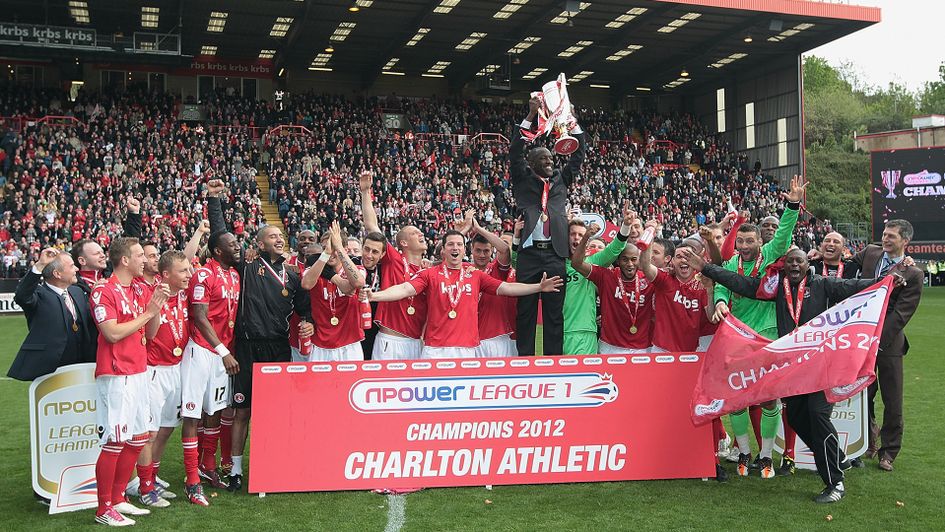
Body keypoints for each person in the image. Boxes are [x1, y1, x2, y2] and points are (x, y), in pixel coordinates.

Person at [688, 247, 904, 503]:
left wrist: (886, 280)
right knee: (799, 419)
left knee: (816, 416)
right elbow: (742, 283)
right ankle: (838, 459)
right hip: (794, 371)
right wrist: (706, 267)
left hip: (821, 367)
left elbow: (854, 286)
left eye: (798, 261)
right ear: (784, 266)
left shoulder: (823, 284)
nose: (793, 265)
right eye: (789, 262)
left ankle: (835, 482)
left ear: (806, 264)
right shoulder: (776, 287)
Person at [206, 179, 313, 492]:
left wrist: (307, 324)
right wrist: (215, 201)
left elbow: (305, 311)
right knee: (242, 411)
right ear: (259, 244)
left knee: (276, 412)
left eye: (281, 235)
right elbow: (220, 236)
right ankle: (236, 470)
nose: (279, 239)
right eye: (272, 236)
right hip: (248, 348)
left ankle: (274, 463)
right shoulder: (247, 265)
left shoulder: (293, 275)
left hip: (279, 348)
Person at [712, 176, 804, 478]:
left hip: (767, 337)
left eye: (750, 240)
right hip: (736, 338)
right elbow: (721, 288)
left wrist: (792, 204)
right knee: (737, 400)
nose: (745, 245)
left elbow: (786, 231)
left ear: (759, 242)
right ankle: (744, 452)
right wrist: (720, 302)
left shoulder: (769, 258)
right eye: (741, 241)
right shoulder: (729, 265)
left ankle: (765, 457)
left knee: (767, 398)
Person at [367, 230, 563, 359]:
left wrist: (538, 287)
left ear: (463, 250)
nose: (455, 248)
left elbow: (507, 288)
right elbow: (404, 289)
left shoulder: (475, 275)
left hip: (468, 350)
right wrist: (374, 296)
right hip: (435, 350)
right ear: (443, 250)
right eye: (450, 244)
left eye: (459, 244)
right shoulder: (430, 274)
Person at [90, 237, 169, 526]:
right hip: (116, 375)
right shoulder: (104, 292)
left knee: (137, 439)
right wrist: (148, 312)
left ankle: (119, 497)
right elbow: (111, 333)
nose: (145, 261)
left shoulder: (138, 289)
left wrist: (156, 308)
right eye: (139, 256)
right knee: (114, 441)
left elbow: (151, 332)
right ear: (125, 260)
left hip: (138, 371)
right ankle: (103, 508)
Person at [508, 96, 585, 356]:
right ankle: (525, 363)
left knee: (554, 314)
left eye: (552, 159)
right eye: (545, 159)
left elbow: (578, 155)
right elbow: (515, 151)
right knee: (526, 313)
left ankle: (553, 363)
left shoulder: (561, 182)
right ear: (532, 163)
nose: (551, 162)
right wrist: (530, 115)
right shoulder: (523, 179)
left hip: (554, 255)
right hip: (529, 255)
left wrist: (572, 121)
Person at [852, 219, 923, 472]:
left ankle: (889, 451)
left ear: (905, 241)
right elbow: (848, 263)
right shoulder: (871, 252)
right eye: (884, 234)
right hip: (860, 338)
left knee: (892, 400)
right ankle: (869, 440)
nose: (885, 239)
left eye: (892, 236)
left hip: (888, 342)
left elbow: (902, 314)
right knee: (864, 394)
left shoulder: (913, 273)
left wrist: (876, 340)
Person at [181, 230, 241, 505]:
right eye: (231, 244)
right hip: (202, 351)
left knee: (215, 411)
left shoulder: (234, 275)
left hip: (221, 353)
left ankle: (208, 466)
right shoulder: (203, 275)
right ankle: (192, 481)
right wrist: (222, 350)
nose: (238, 246)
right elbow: (200, 316)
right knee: (193, 416)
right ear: (218, 251)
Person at [134, 251, 193, 508]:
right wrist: (156, 307)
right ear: (166, 275)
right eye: (183, 272)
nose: (189, 275)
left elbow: (182, 259)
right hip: (154, 370)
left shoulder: (184, 294)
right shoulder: (152, 292)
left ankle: (153, 477)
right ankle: (144, 487)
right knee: (149, 432)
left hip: (176, 368)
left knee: (167, 427)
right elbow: (151, 331)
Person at [360, 170, 428, 360]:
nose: (421, 234)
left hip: (417, 342)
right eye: (415, 233)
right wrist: (366, 192)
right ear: (404, 243)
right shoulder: (394, 259)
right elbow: (372, 226)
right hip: (391, 341)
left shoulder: (429, 271)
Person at [9, 248, 97, 381]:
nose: (77, 270)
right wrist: (39, 265)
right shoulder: (38, 295)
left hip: (83, 366)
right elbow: (22, 296)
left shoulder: (77, 292)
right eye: (72, 266)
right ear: (57, 273)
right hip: (51, 370)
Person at [571, 225, 654, 354]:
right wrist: (586, 237)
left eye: (634, 259)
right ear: (618, 260)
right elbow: (576, 264)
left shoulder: (649, 280)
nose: (630, 264)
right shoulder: (606, 276)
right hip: (609, 347)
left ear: (639, 260)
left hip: (642, 348)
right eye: (625, 259)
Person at [300, 222, 366, 361]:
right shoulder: (315, 270)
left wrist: (339, 248)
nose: (330, 252)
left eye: (333, 248)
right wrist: (326, 253)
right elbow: (306, 284)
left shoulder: (357, 269)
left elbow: (358, 282)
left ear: (344, 249)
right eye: (324, 248)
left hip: (350, 344)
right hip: (320, 345)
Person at [357, 231, 387, 359]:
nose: (369, 255)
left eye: (375, 252)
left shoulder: (385, 268)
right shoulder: (351, 264)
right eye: (366, 249)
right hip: (353, 329)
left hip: (375, 330)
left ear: (383, 254)